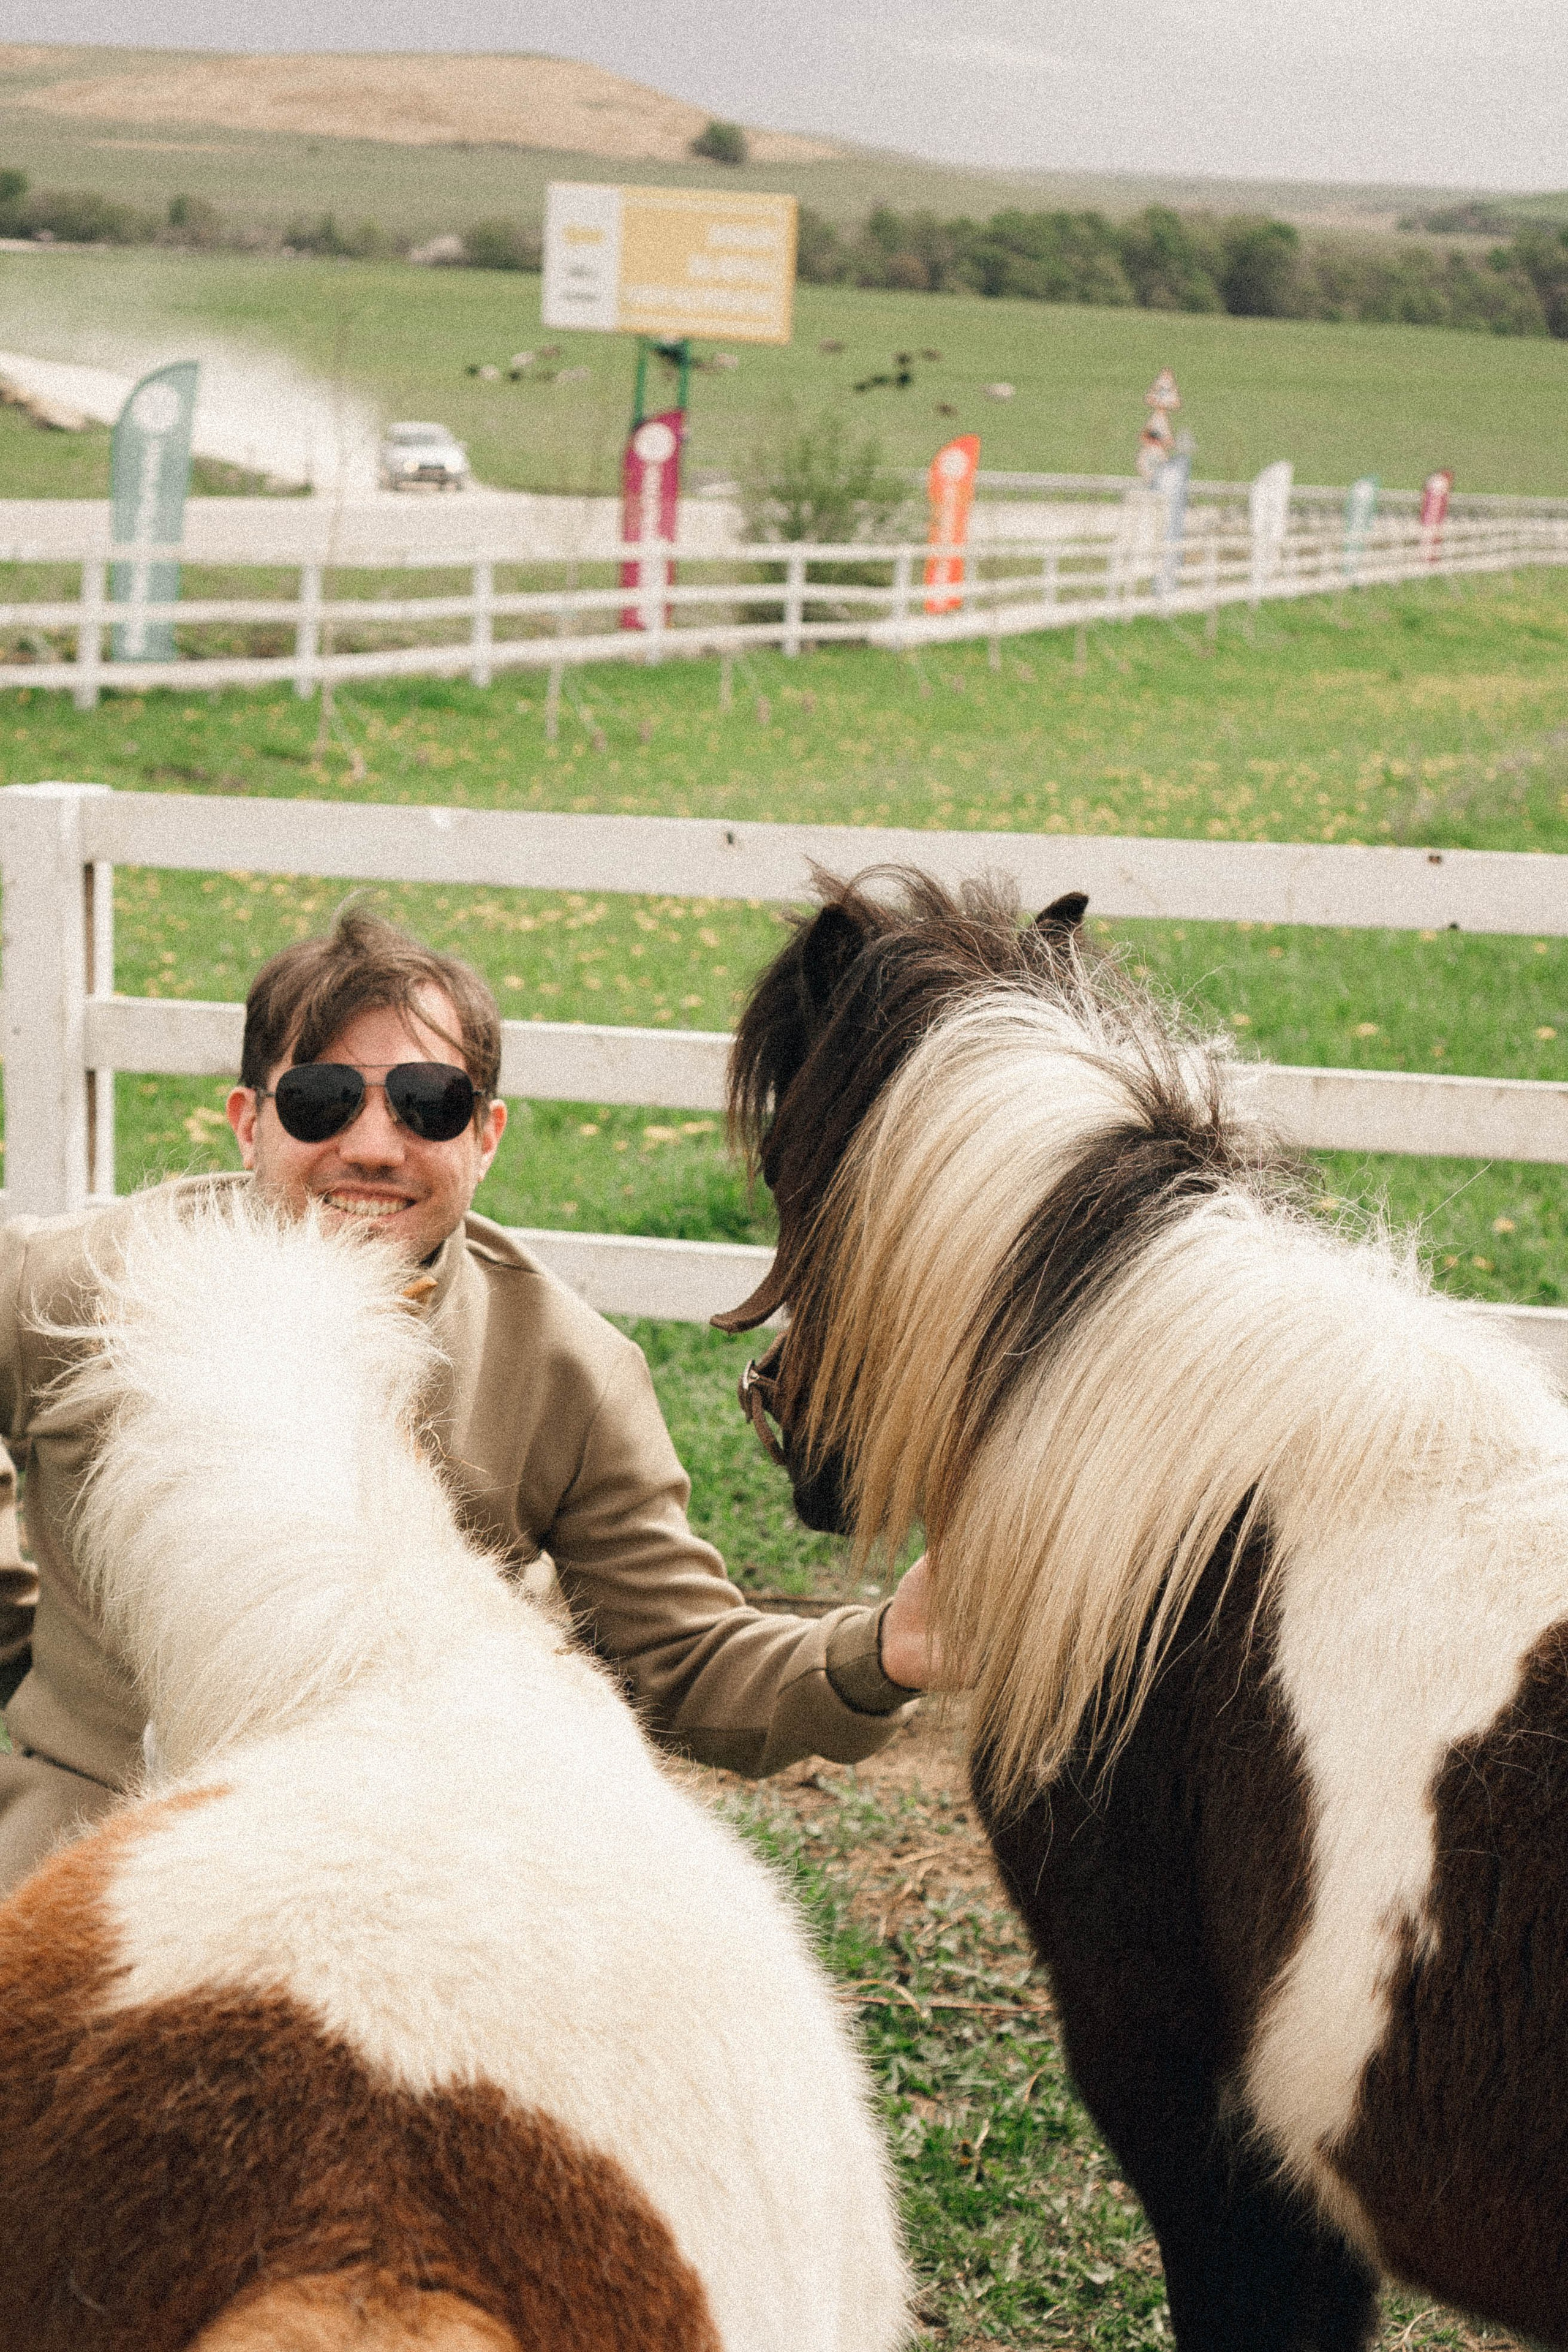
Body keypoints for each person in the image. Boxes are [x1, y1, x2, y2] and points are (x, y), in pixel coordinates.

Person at [0, 907, 937, 1896]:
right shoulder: (66, 1291)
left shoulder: (567, 1368)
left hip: (417, 1850)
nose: (373, 1145)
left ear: (486, 1135)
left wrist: (883, 1651)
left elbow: (687, 1661)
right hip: (95, 1822)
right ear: (249, 1122)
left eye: (429, 1103)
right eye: (320, 1100)